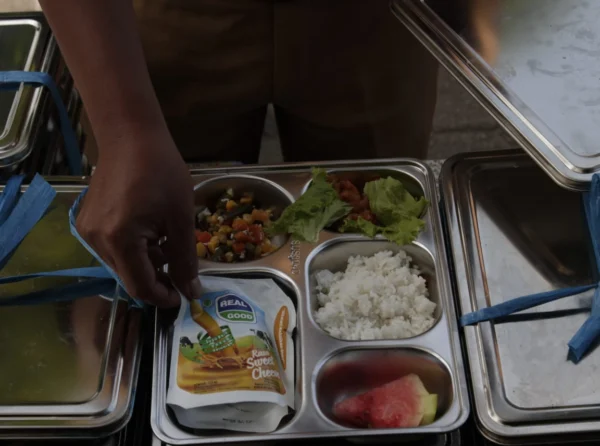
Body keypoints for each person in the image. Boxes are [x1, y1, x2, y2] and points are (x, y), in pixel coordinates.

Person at [39, 0, 438, 308]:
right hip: (172, 22)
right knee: (152, 240)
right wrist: (125, 132)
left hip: (376, 21)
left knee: (378, 229)